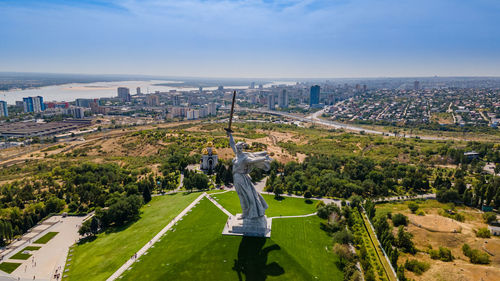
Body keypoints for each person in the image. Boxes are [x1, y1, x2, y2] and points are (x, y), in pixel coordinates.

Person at [227, 131, 271, 220]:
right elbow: (232, 143)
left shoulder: (244, 158)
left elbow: (253, 161)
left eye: (240, 148)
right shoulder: (237, 154)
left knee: (246, 196)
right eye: (238, 148)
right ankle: (246, 212)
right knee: (242, 196)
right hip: (236, 178)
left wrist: (264, 158)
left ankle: (250, 213)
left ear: (242, 149)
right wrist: (230, 135)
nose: (239, 150)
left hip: (241, 179)